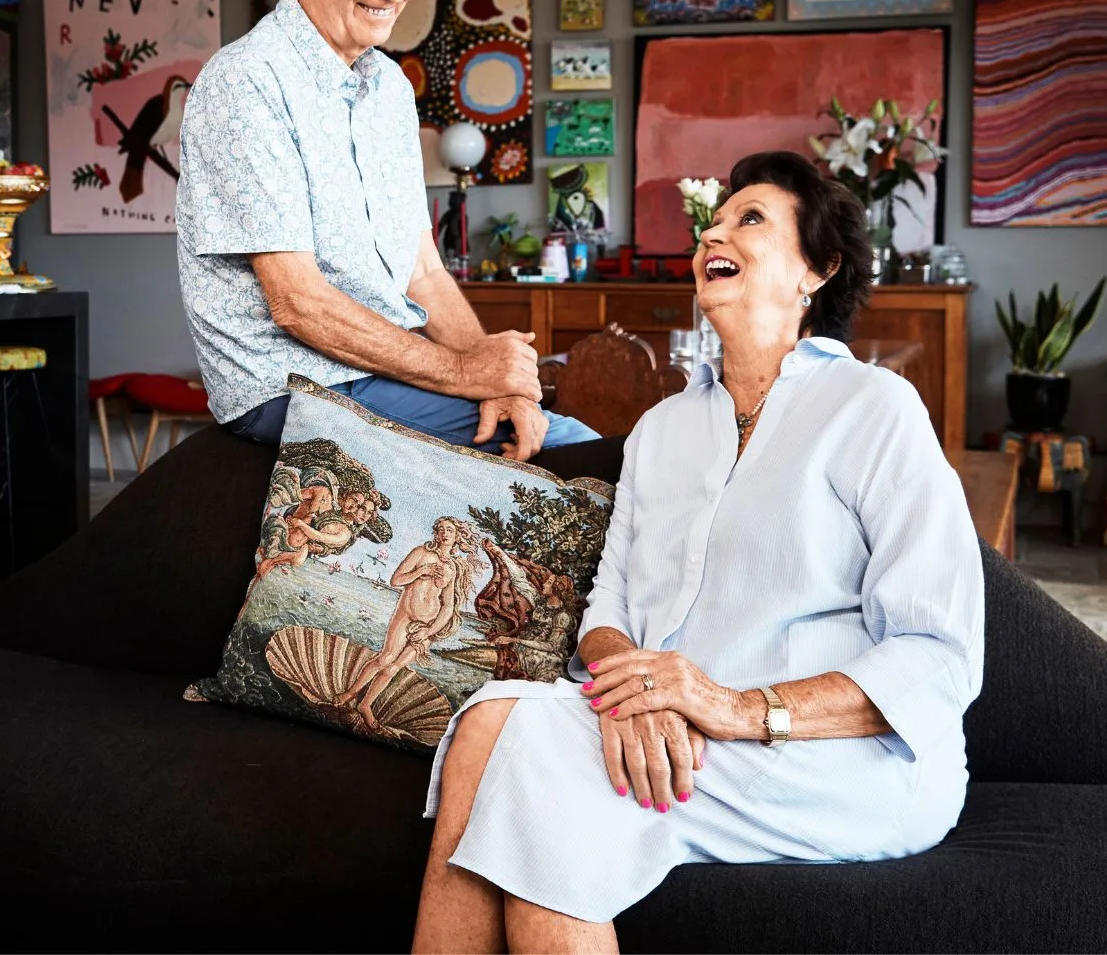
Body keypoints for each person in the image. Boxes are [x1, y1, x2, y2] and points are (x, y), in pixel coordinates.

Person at [413, 150, 985, 952]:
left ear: (815, 270)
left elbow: (940, 652)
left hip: (847, 757)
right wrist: (634, 696)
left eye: (749, 218)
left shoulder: (874, 408)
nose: (713, 232)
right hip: (683, 734)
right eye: (712, 222)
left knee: (527, 757)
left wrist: (733, 709)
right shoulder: (664, 431)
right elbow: (607, 606)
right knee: (491, 728)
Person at [176, 0, 598, 461]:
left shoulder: (391, 87)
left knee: (547, 430)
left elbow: (420, 270)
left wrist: (501, 384)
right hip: (289, 385)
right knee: (579, 450)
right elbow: (298, 303)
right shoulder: (245, 82)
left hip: (377, 369)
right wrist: (463, 375)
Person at [339, 516, 482, 731]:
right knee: (385, 658)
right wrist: (421, 571)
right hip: (405, 615)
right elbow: (395, 580)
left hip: (426, 626)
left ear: (457, 536)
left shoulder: (452, 569)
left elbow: (448, 607)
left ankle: (365, 705)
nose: (444, 533)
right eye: (441, 529)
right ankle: (350, 693)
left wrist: (428, 632)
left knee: (394, 668)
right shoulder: (421, 553)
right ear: (436, 533)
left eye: (449, 530)